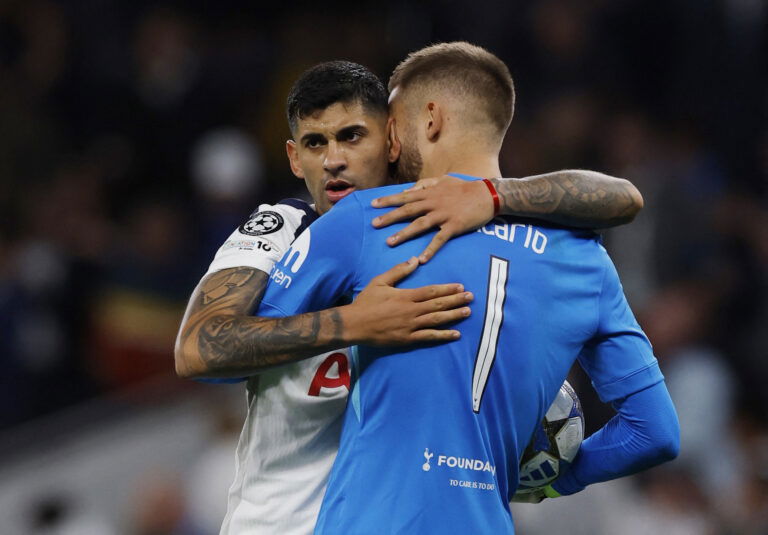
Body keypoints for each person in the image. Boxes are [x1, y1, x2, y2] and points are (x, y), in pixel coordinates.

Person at [174, 61, 645, 534]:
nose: (333, 159)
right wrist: (356, 324)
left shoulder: (446, 233)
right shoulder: (280, 229)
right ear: (295, 159)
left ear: (391, 139)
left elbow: (620, 199)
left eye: (353, 136)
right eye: (316, 143)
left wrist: (493, 196)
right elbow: (198, 349)